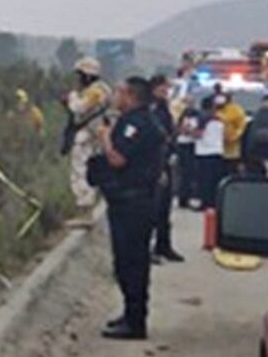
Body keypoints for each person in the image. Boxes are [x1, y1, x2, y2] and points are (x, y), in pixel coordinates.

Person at [95, 76, 165, 340]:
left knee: (132, 262)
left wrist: (105, 138)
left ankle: (135, 322)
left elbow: (118, 159)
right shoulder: (140, 120)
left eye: (119, 92)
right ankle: (130, 314)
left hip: (133, 203)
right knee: (127, 262)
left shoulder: (136, 124)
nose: (115, 96)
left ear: (130, 96)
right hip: (132, 201)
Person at [63, 57, 112, 226]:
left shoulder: (96, 91)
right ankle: (87, 209)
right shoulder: (102, 89)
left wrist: (71, 98)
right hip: (95, 136)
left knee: (80, 172)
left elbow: (79, 108)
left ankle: (85, 212)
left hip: (88, 137)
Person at [148, 75, 184, 262]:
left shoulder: (164, 107)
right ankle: (150, 248)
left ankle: (164, 245)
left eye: (167, 89)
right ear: (154, 89)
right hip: (155, 163)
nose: (165, 92)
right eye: (162, 88)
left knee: (164, 208)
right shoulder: (151, 108)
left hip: (167, 160)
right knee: (153, 209)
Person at [194, 96, 227, 209]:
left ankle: (205, 203)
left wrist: (189, 131)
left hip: (204, 152)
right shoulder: (220, 118)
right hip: (218, 151)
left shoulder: (202, 118)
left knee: (204, 180)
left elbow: (198, 134)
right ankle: (214, 203)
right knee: (214, 180)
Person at [174, 97, 200, 208]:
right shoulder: (182, 116)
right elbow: (178, 129)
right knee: (184, 173)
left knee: (189, 173)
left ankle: (187, 196)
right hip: (183, 145)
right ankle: (183, 198)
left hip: (191, 145)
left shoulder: (197, 116)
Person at [218, 93, 248, 175]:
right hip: (215, 151)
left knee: (230, 172)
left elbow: (241, 127)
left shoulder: (236, 110)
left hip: (232, 152)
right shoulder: (214, 109)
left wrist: (232, 137)